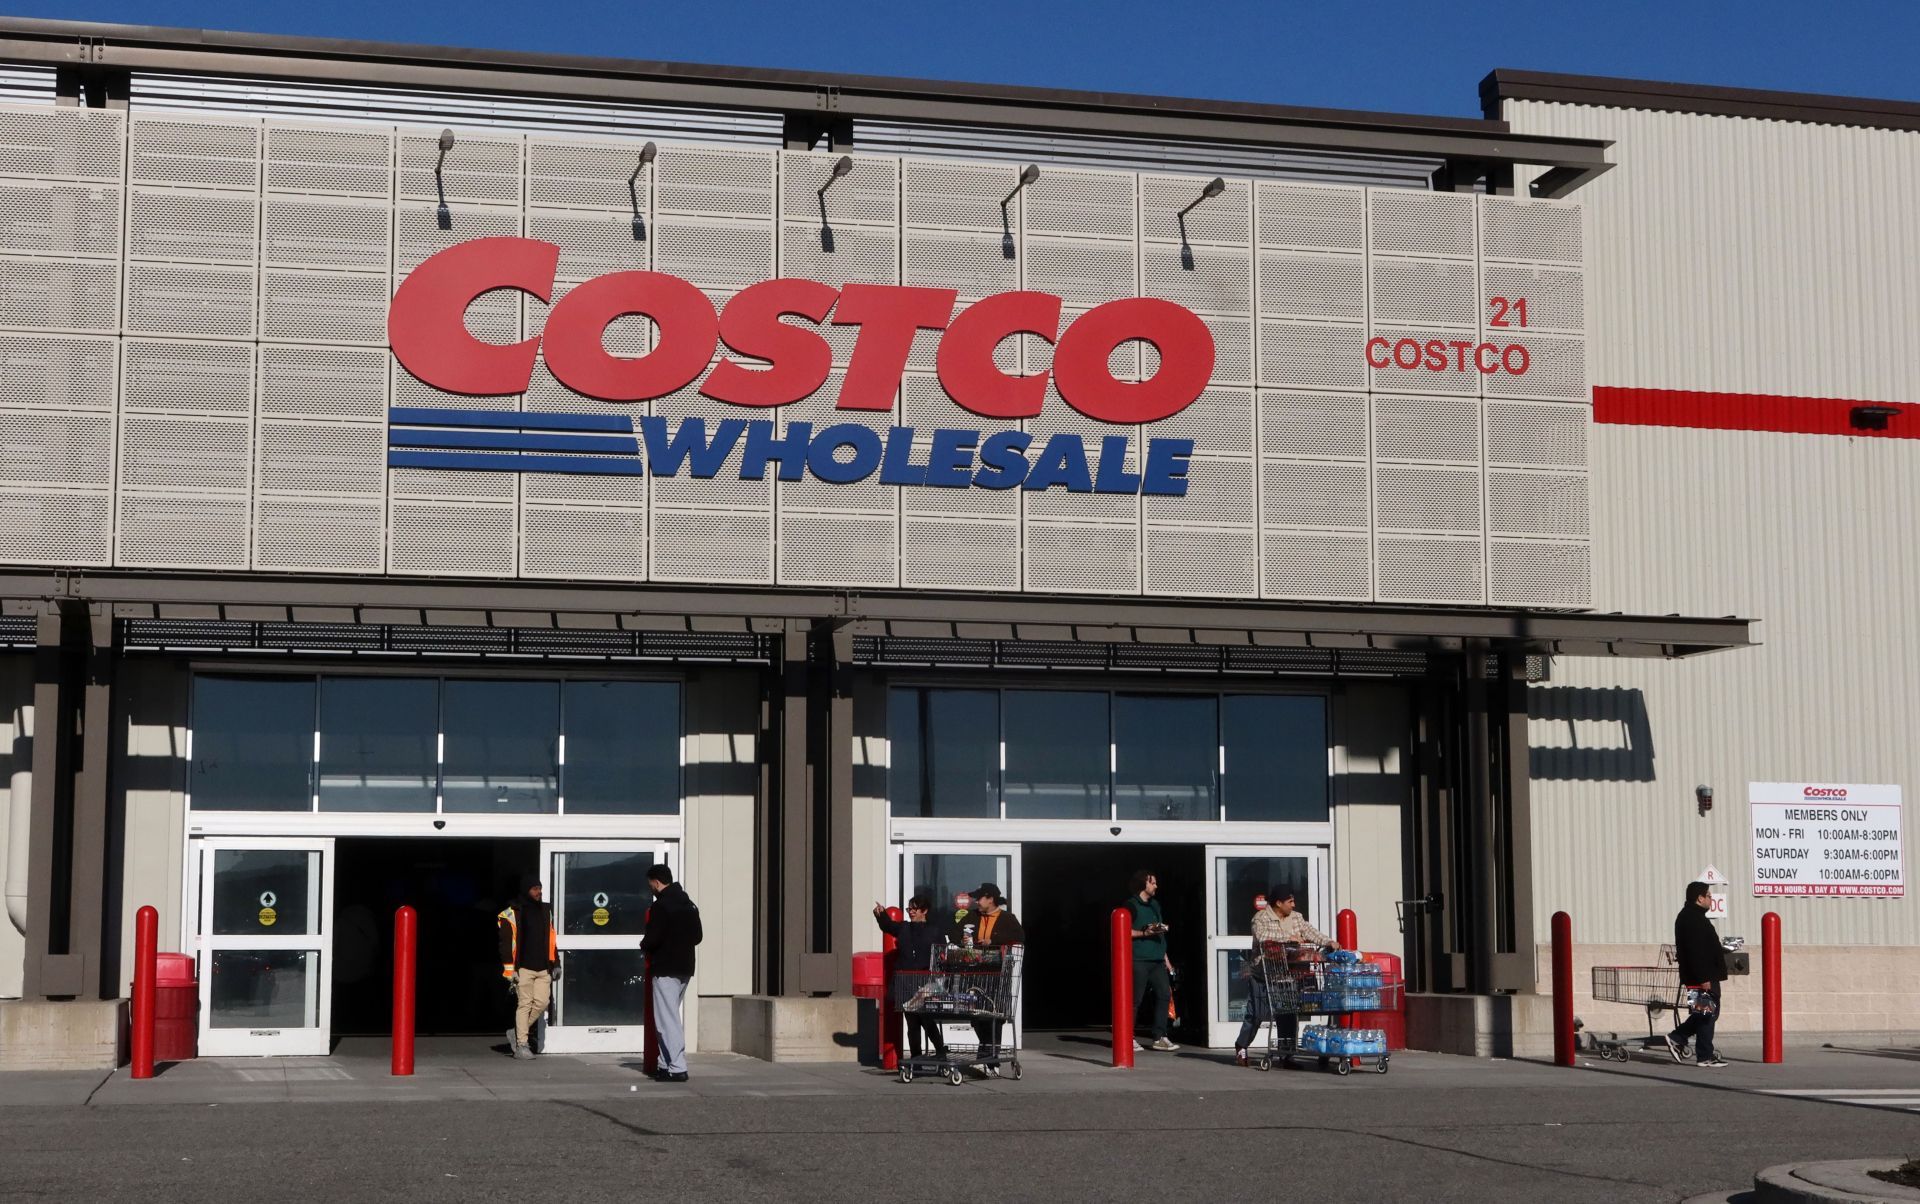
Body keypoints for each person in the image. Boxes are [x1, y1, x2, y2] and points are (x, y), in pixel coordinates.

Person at [1234, 885, 1334, 1067]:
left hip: (1287, 974)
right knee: (1256, 1014)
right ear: (1278, 903)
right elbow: (1263, 936)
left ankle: (1286, 1053)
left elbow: (1309, 931)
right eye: (1290, 902)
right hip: (1263, 975)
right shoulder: (1261, 918)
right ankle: (1242, 1046)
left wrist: (1328, 941)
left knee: (1288, 1014)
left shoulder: (1296, 918)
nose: (1294, 905)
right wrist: (1289, 937)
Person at [641, 864, 703, 1083]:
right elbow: (698, 937)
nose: (650, 888)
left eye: (650, 884)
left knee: (666, 1020)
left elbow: (653, 938)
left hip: (665, 967)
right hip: (685, 967)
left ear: (656, 882)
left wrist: (644, 945)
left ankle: (676, 1067)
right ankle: (664, 1064)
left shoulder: (661, 906)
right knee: (671, 1016)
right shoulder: (689, 904)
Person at [873, 896, 951, 1060]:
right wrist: (881, 914)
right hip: (906, 980)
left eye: (915, 909)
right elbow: (888, 926)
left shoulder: (934, 930)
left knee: (926, 1018)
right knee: (912, 1022)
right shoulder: (904, 927)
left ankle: (940, 1051)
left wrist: (939, 980)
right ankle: (916, 1058)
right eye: (909, 909)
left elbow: (942, 955)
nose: (912, 912)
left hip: (925, 981)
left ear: (925, 911)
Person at [1665, 881, 1729, 1068]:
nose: (1711, 899)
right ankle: (1701, 1054)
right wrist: (1703, 978)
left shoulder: (1694, 917)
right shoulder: (1691, 919)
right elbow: (1695, 952)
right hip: (1700, 977)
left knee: (1706, 1014)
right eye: (1708, 895)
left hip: (1704, 975)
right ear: (1699, 898)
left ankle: (1679, 1039)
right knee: (1706, 1015)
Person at [497, 874, 557, 1061]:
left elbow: (551, 939)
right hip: (523, 968)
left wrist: (556, 963)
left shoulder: (545, 910)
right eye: (535, 888)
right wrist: (510, 970)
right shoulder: (512, 912)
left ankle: (516, 1033)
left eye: (540, 888)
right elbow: (506, 945)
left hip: (543, 968)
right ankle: (522, 1045)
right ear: (526, 890)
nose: (539, 892)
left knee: (541, 1003)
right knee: (524, 1004)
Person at [1124, 871, 1178, 1052]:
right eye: (1152, 883)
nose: (1156, 886)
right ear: (1143, 884)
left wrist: (1166, 959)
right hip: (1139, 959)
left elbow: (1160, 934)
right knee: (1135, 999)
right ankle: (1127, 1037)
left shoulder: (1155, 905)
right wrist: (1143, 933)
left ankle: (1159, 1036)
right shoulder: (1130, 905)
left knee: (1164, 994)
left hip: (1157, 959)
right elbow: (1123, 931)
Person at [967, 883, 1023, 1057]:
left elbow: (1020, 936)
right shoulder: (972, 916)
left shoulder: (1007, 918)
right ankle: (985, 1050)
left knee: (994, 1016)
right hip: (975, 971)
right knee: (975, 1016)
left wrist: (993, 941)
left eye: (980, 898)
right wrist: (964, 938)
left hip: (998, 972)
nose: (976, 901)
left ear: (990, 899)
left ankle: (991, 1058)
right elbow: (953, 932)